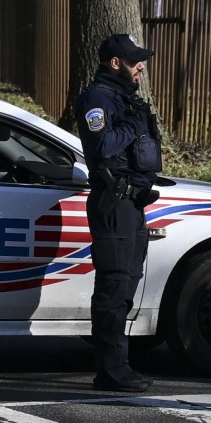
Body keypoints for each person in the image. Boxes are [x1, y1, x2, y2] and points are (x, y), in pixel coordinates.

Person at [73, 32, 166, 393]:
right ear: (116, 63)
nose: (141, 65)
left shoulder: (126, 98)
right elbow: (102, 146)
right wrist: (131, 125)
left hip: (132, 204)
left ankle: (118, 365)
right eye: (134, 60)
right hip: (113, 204)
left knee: (126, 286)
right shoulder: (97, 98)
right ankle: (112, 370)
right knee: (113, 287)